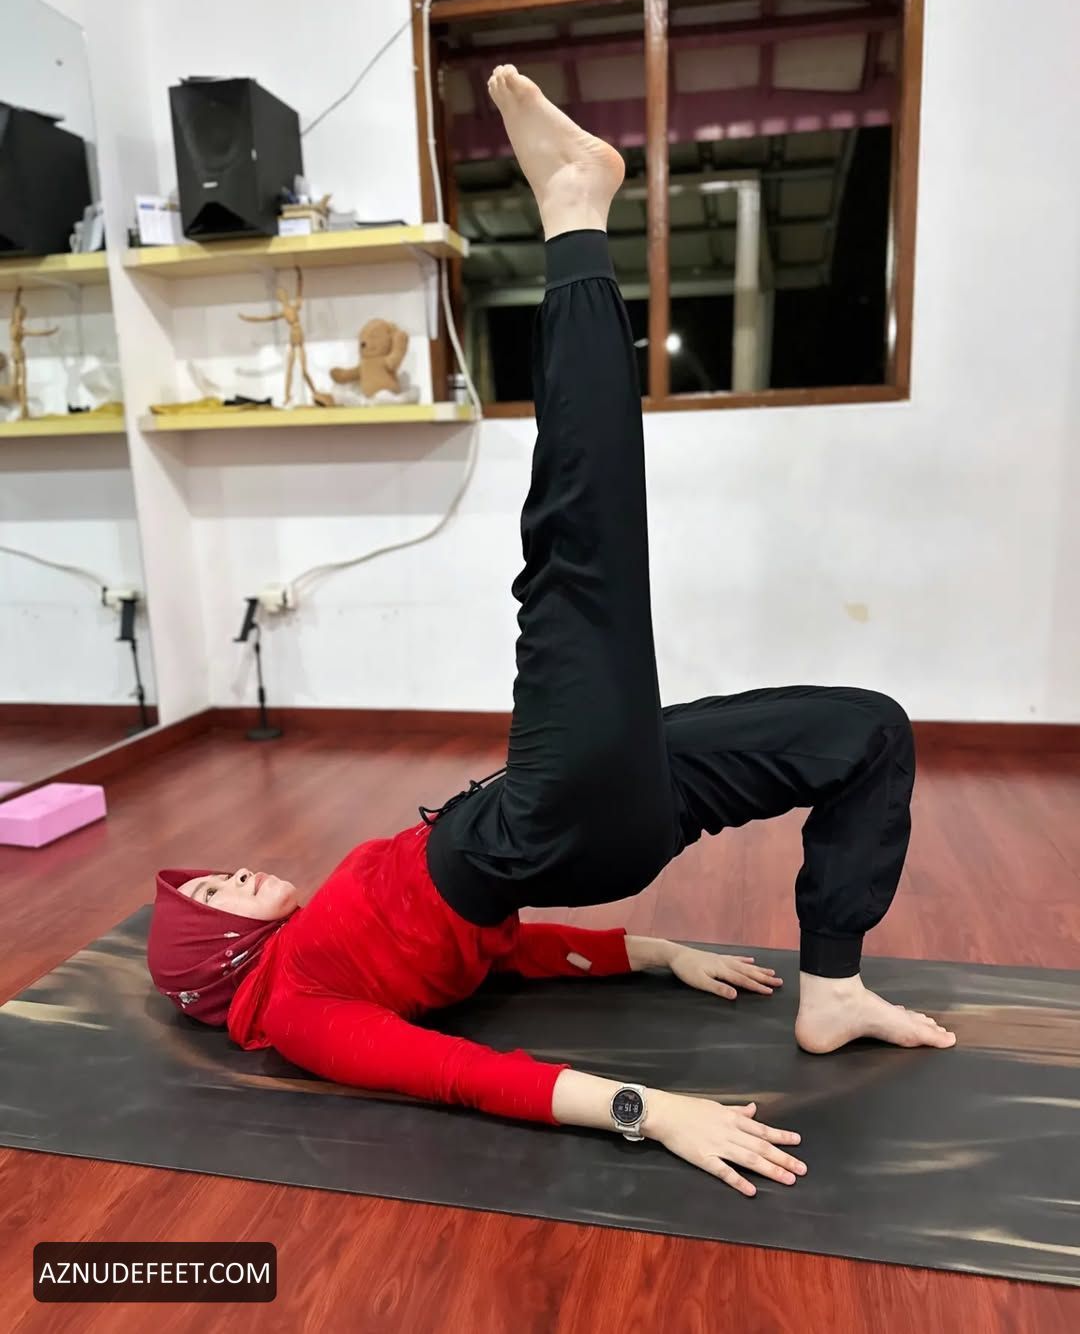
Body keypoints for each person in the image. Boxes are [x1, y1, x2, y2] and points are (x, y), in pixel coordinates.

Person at [147, 67, 955, 1199]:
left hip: (569, 824)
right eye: (210, 899)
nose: (225, 877)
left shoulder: (313, 944)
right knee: (579, 550)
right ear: (213, 955)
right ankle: (575, 209)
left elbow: (495, 953)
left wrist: (657, 955)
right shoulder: (292, 1008)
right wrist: (649, 1112)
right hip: (545, 825)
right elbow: (452, 1071)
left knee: (866, 732)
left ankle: (833, 989)